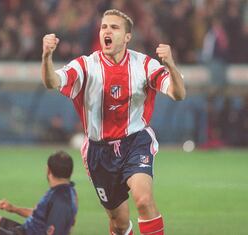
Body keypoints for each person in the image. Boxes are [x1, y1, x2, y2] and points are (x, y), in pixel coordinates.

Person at [41, 9, 186, 235]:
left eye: (114, 27)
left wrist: (171, 65)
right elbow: (52, 82)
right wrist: (46, 56)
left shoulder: (144, 65)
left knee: (144, 200)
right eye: (104, 27)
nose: (106, 31)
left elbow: (178, 93)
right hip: (99, 152)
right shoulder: (85, 65)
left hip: (134, 142)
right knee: (118, 223)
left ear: (127, 37)